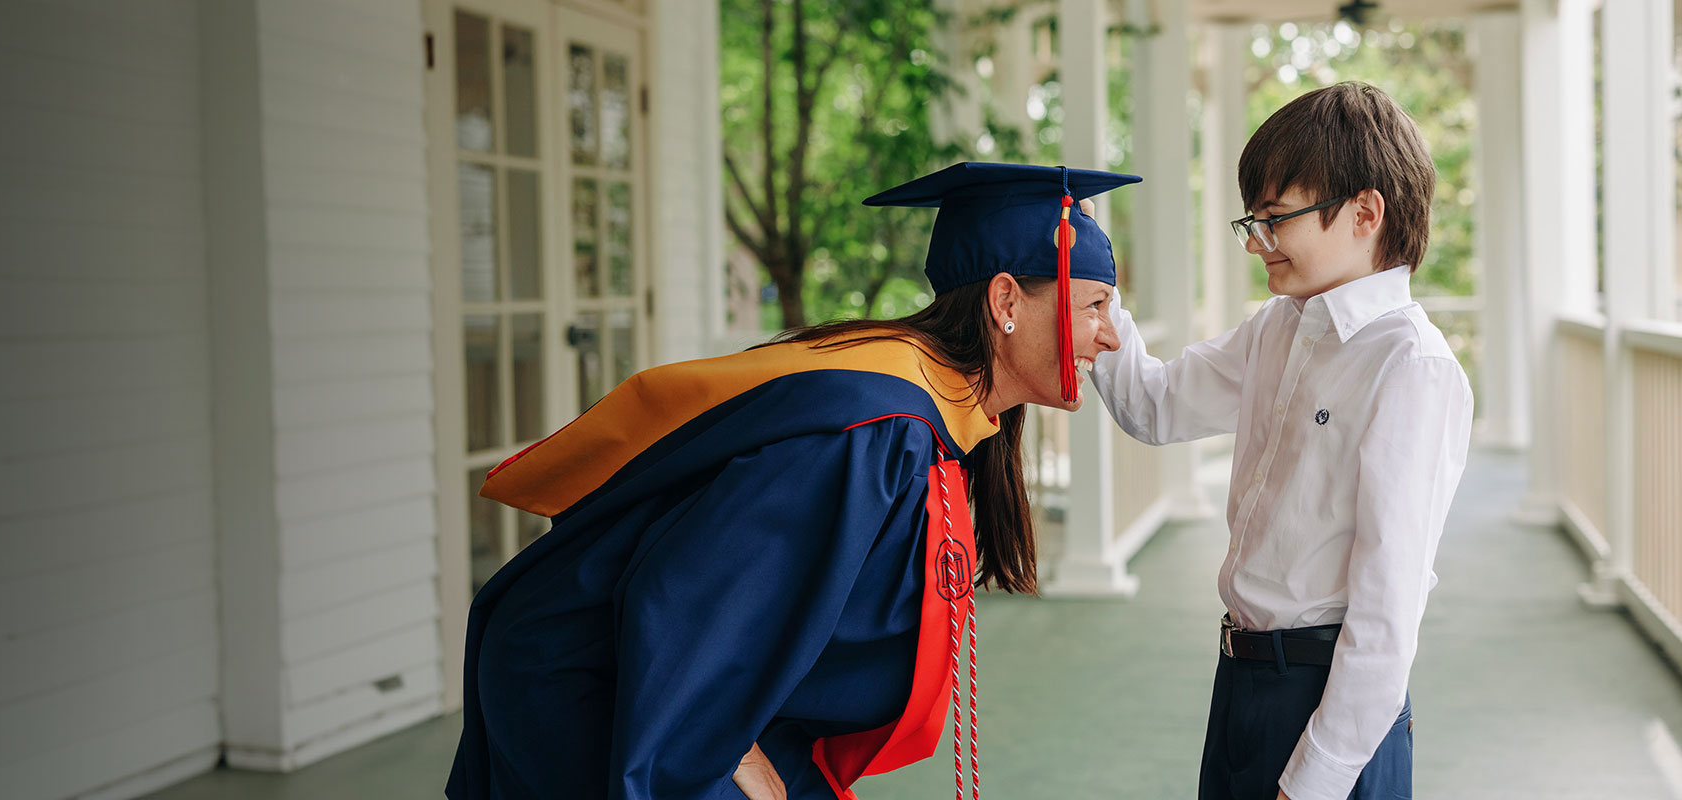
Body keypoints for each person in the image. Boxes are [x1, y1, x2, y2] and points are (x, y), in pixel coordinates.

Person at [444, 163, 1136, 800]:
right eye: (1095, 305)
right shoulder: (877, 435)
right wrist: (730, 753)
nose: (1111, 336)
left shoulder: (936, 404)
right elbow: (685, 599)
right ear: (1006, 301)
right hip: (600, 694)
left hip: (688, 691)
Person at [1083, 82, 1472, 800]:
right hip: (1242, 677)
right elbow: (1155, 405)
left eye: (1276, 219)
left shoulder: (1409, 366)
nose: (1259, 243)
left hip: (1329, 704)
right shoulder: (1279, 327)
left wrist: (1315, 781)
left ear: (1365, 212)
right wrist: (1090, 291)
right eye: (1252, 222)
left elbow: (1388, 610)